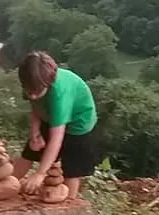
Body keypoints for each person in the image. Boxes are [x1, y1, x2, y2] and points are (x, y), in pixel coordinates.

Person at [13, 51, 100, 199]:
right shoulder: (32, 82)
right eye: (29, 91)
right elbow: (35, 105)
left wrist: (40, 173)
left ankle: (69, 202)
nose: (32, 95)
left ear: (49, 83)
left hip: (78, 123)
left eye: (37, 91)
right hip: (49, 115)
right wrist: (34, 132)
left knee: (71, 169)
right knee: (30, 151)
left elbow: (56, 139)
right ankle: (8, 184)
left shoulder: (59, 95)